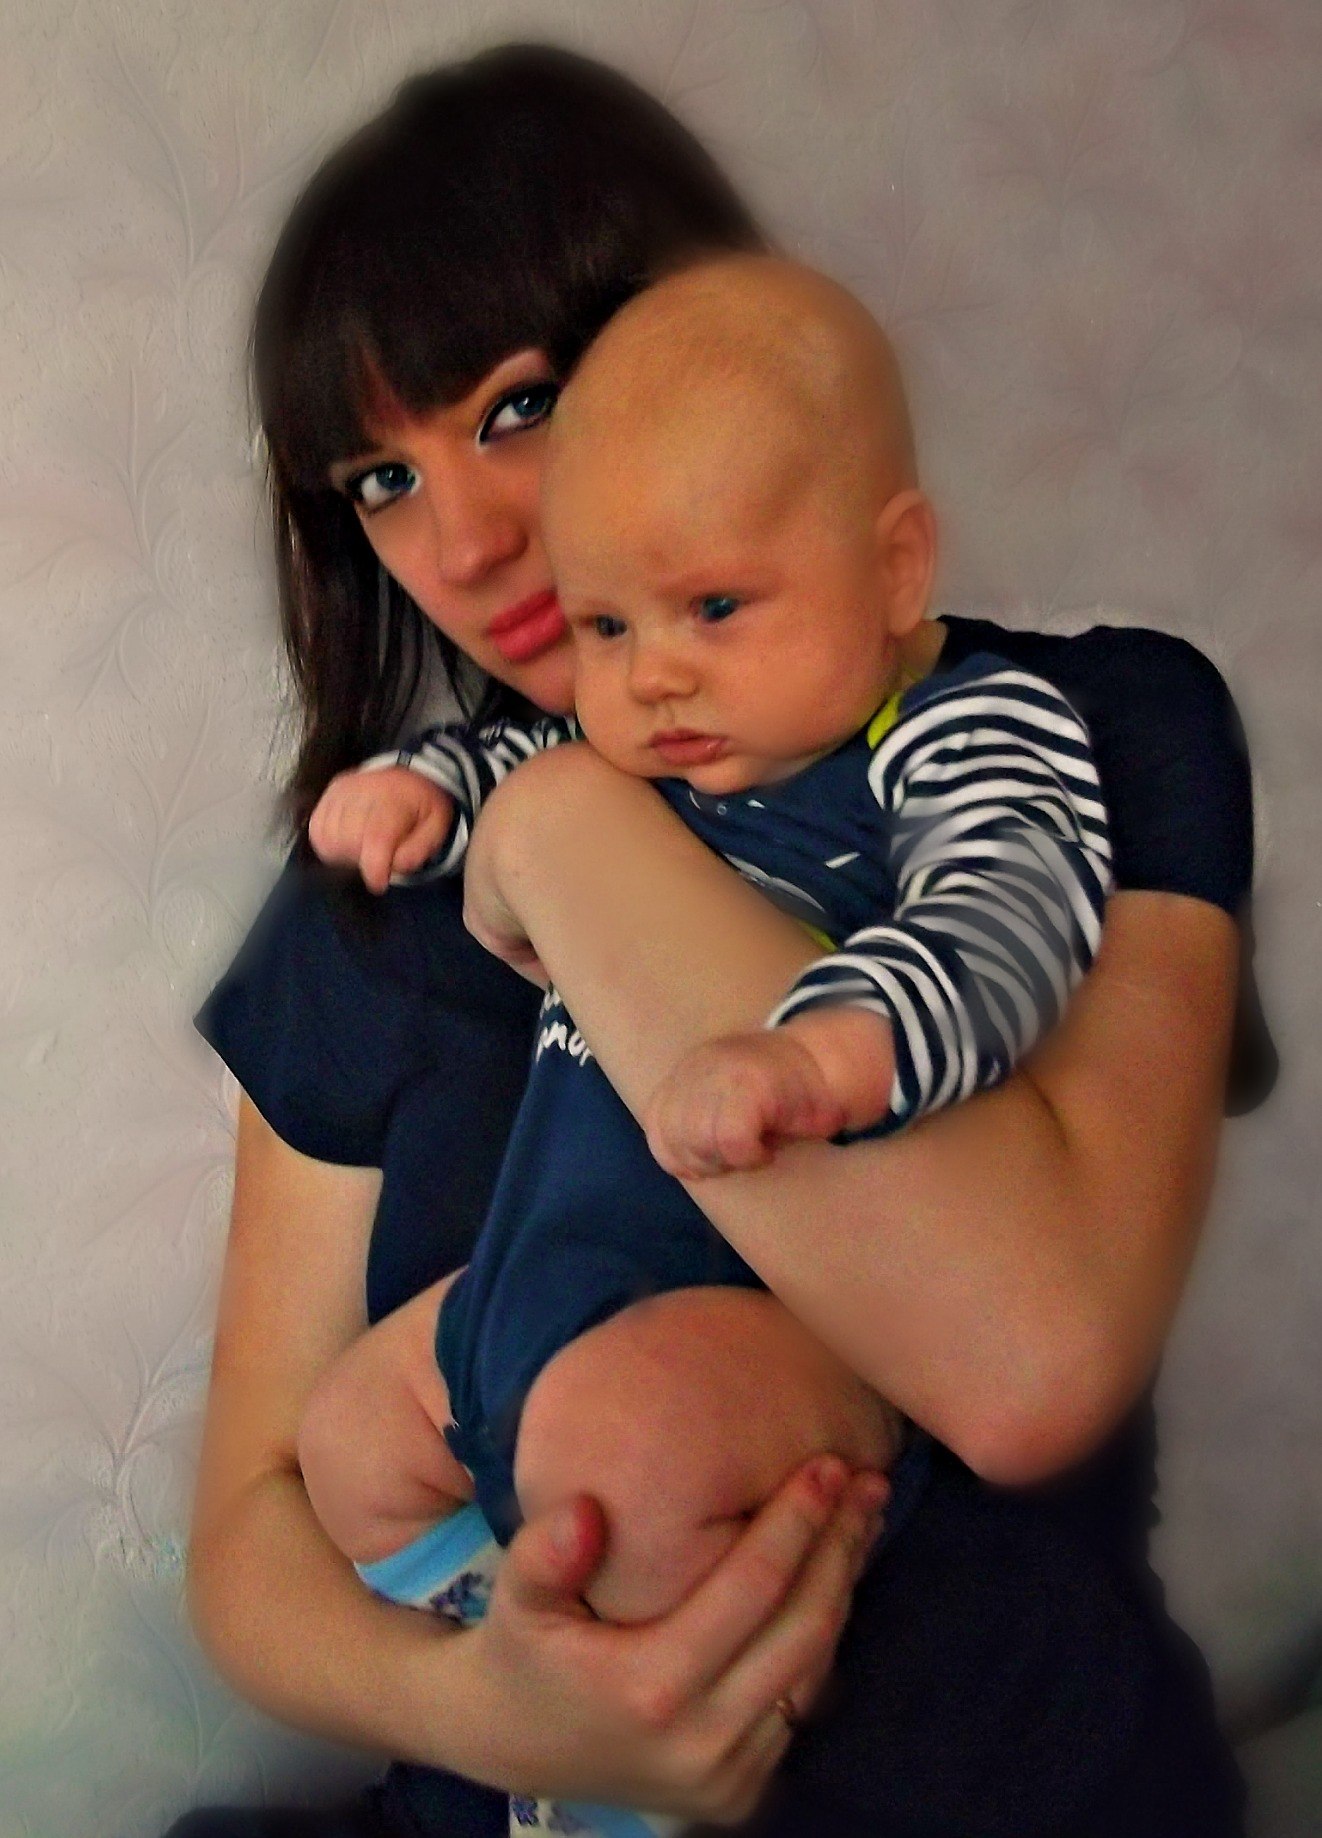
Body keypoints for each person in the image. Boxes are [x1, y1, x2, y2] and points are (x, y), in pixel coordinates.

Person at [173, 40, 1271, 1838]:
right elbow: (248, 1541)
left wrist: (560, 828)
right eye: (378, 480)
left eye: (512, 406)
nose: (461, 543)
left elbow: (1028, 1359)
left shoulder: (1067, 733)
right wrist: (503, 1708)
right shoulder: (373, 895)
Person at [294, 255, 1113, 1838]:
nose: (651, 673)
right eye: (604, 621)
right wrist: (426, 795)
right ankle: (536, 1657)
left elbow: (1012, 913)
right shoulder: (636, 749)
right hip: (544, 1279)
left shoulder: (949, 727)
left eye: (714, 607)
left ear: (893, 567)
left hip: (751, 1308)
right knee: (347, 1436)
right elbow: (516, 750)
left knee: (628, 1455)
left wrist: (832, 1052)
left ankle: (624, 1801)